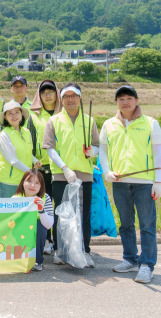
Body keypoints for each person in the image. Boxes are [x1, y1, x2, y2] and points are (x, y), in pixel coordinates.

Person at [99, 85, 161, 284]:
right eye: (121, 99)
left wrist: (158, 182)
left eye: (129, 98)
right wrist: (106, 172)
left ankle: (146, 265)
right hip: (120, 182)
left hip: (144, 183)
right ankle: (130, 259)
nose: (125, 102)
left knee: (147, 225)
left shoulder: (150, 123)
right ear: (116, 102)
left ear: (136, 100)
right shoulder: (109, 124)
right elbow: (103, 151)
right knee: (126, 224)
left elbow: (158, 154)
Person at [43, 82, 99, 268]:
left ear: (80, 97)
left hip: (84, 175)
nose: (70, 99)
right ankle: (60, 250)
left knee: (83, 215)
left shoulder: (89, 121)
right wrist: (64, 168)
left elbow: (97, 145)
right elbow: (50, 149)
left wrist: (94, 151)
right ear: (62, 99)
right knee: (62, 214)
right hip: (61, 175)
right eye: (66, 96)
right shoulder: (54, 121)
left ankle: (85, 251)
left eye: (73, 95)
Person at [26, 80, 62, 255]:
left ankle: (60, 242)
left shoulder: (64, 114)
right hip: (41, 168)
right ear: (39, 95)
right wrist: (33, 163)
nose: (47, 94)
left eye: (51, 91)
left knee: (60, 206)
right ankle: (46, 240)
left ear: (57, 94)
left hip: (61, 167)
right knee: (44, 205)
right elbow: (29, 141)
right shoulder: (33, 116)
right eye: (44, 91)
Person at [0, 101, 41, 198]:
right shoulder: (4, 135)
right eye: (10, 113)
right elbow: (13, 160)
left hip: (25, 182)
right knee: (6, 213)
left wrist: (35, 161)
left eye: (17, 112)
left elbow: (28, 152)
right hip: (8, 183)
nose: (14, 116)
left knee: (23, 213)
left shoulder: (26, 132)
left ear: (21, 114)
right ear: (5, 117)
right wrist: (31, 172)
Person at [12, 169, 54, 271]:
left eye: (37, 183)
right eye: (29, 181)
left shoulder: (45, 198)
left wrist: (41, 210)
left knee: (40, 227)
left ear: (41, 185)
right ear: (23, 182)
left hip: (36, 228)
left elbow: (48, 225)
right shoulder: (15, 199)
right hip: (19, 229)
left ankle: (37, 260)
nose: (32, 186)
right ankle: (15, 258)